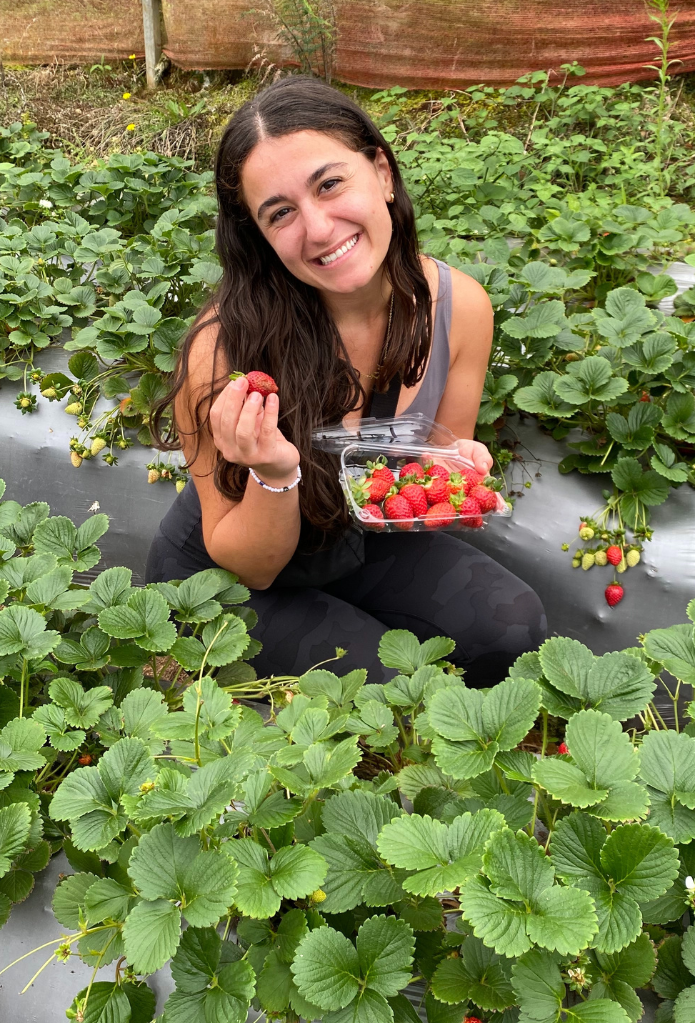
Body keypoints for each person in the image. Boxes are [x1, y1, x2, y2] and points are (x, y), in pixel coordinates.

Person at [147, 75, 546, 684]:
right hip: (231, 574)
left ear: (381, 172)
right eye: (280, 214)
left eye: (330, 184)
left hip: (358, 539)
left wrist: (452, 473)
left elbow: (422, 468)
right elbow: (251, 567)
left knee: (512, 624)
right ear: (258, 235)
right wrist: (275, 473)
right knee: (383, 683)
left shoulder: (458, 308)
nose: (320, 229)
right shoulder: (225, 348)